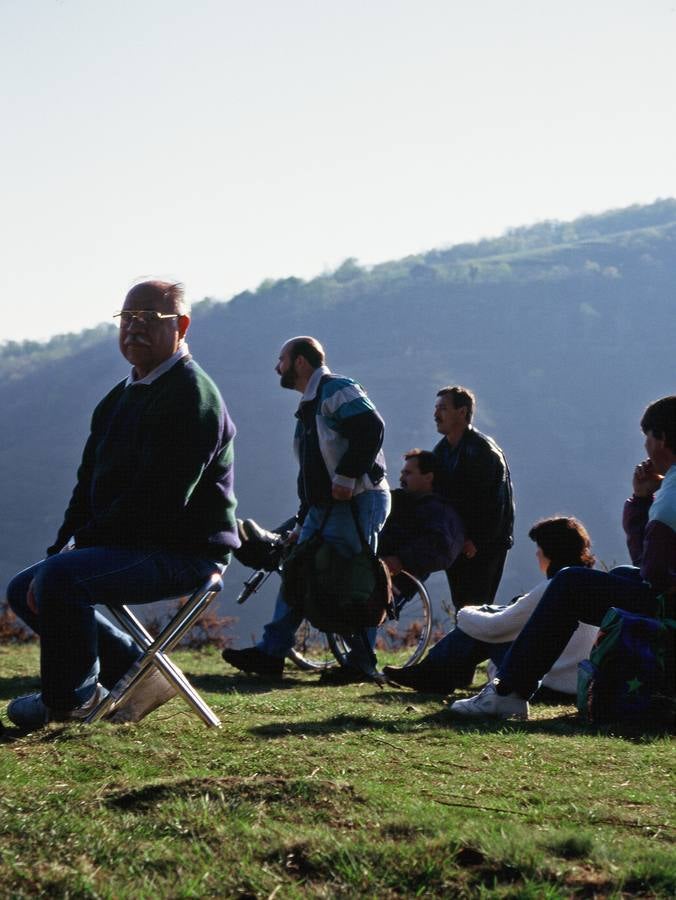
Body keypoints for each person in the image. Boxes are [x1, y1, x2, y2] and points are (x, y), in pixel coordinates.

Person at [6, 280, 239, 731]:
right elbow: (86, 488)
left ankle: (69, 704)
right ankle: (136, 675)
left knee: (60, 580)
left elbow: (160, 502)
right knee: (27, 585)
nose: (134, 328)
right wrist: (61, 549)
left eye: (149, 319)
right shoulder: (121, 396)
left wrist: (75, 552)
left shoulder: (192, 396)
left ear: (182, 326)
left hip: (184, 551)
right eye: (127, 318)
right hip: (137, 542)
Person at [451, 395, 676, 720]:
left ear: (662, 439)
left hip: (667, 602)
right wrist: (642, 501)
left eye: (648, 436)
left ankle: (509, 692)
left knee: (571, 581)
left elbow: (653, 571)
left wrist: (641, 503)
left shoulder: (669, 498)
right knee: (623, 575)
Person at [222, 336, 390, 682]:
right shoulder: (310, 405)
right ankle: (271, 653)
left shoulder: (335, 389)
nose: (277, 367)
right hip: (327, 506)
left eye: (281, 359)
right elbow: (312, 473)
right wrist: (303, 518)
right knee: (298, 569)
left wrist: (346, 476)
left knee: (348, 576)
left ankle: (361, 661)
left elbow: (371, 427)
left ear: (301, 362)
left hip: (357, 499)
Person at [383, 516, 598, 698]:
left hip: (548, 682)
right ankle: (435, 675)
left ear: (551, 552)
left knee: (481, 632)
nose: (536, 555)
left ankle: (431, 675)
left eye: (539, 549)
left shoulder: (554, 588)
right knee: (495, 617)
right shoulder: (590, 584)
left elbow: (495, 627)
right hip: (575, 683)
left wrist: (466, 613)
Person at [433, 386, 514, 610]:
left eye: (443, 408)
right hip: (457, 541)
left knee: (477, 608)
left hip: (483, 546)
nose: (436, 415)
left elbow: (493, 504)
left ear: (462, 412)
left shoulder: (483, 451)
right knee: (463, 607)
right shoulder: (441, 452)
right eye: (436, 408)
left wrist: (475, 539)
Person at [378, 449, 464, 584]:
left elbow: (440, 548)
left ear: (428, 477)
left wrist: (400, 560)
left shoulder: (440, 513)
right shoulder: (400, 501)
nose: (401, 479)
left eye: (408, 473)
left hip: (395, 576)